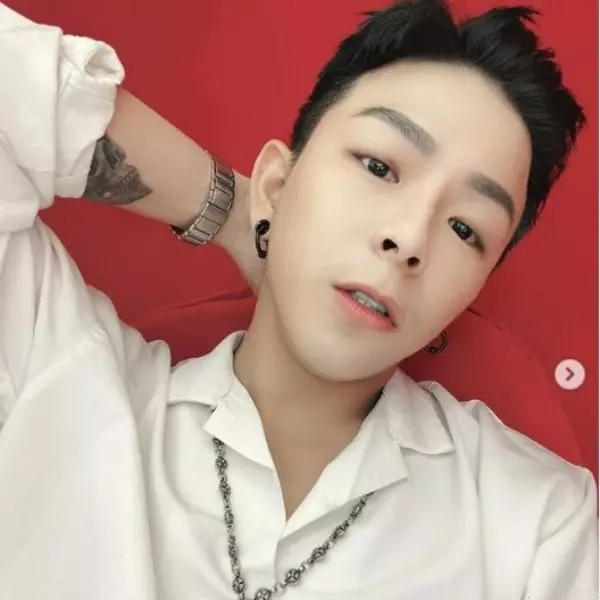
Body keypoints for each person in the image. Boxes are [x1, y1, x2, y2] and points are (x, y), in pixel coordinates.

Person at [0, 0, 596, 599]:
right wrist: (238, 214)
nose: (410, 239)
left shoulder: (538, 525)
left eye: (465, 229)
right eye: (379, 167)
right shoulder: (57, 373)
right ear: (277, 182)